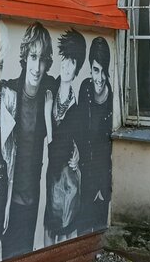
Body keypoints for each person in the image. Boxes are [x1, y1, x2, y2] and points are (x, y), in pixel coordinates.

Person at [0, 22, 54, 259]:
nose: (37, 67)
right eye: (33, 57)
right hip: (5, 201)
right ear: (25, 57)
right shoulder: (8, 93)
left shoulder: (50, 93)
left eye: (42, 59)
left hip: (31, 203)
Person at [43, 29, 87, 246]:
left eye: (72, 62)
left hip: (68, 176)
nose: (66, 66)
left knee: (66, 225)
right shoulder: (49, 88)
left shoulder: (76, 106)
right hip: (51, 171)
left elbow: (78, 141)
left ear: (77, 69)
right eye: (65, 59)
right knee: (49, 225)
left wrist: (77, 157)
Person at [77, 37, 113, 235]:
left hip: (102, 177)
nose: (99, 77)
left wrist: (101, 185)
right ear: (90, 68)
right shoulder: (85, 89)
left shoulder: (112, 100)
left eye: (103, 70)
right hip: (84, 175)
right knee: (82, 230)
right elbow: (81, 133)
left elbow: (107, 147)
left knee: (99, 231)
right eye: (95, 70)